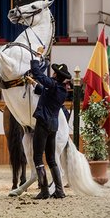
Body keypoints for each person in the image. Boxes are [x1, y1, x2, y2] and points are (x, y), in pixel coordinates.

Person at [25, 46, 71, 199]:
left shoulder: (52, 85)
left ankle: (44, 190)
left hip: (43, 124)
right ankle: (59, 190)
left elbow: (38, 73)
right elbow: (45, 91)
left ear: (56, 75)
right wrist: (33, 84)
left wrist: (37, 56)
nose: (53, 73)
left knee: (38, 158)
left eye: (54, 72)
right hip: (53, 126)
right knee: (51, 159)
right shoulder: (61, 90)